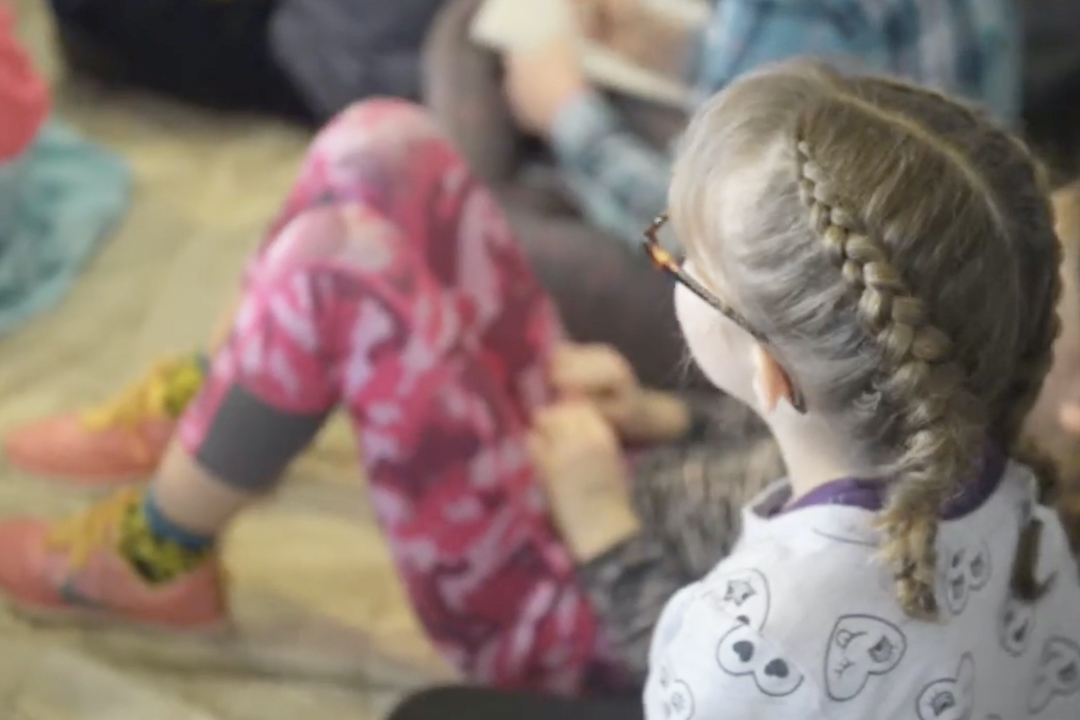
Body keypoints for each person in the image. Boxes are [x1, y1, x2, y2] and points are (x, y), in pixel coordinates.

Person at [0, 98, 783, 694]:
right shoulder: (868, 432)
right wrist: (665, 415)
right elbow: (771, 456)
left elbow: (719, 687)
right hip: (612, 471)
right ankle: (213, 410)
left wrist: (604, 533)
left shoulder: (859, 576)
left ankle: (154, 556)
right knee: (384, 141)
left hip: (581, 598)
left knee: (336, 273)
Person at [640, 60, 1080, 718]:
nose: (674, 262)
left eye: (686, 258)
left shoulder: (746, 645)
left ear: (770, 370)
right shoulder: (1024, 499)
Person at [501, 0, 1019, 250]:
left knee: (515, 236)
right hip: (976, 250)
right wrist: (681, 52)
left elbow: (729, 239)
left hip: (847, 314)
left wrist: (569, 117)